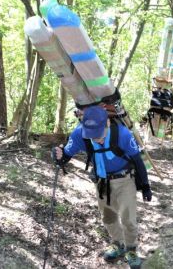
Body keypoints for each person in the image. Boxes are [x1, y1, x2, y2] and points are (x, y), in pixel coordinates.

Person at [53, 105, 152, 269]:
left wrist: (145, 186)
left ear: (107, 122)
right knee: (108, 217)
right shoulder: (80, 134)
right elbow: (65, 156)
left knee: (128, 219)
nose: (96, 139)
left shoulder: (122, 134)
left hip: (125, 179)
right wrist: (58, 156)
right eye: (92, 135)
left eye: (99, 134)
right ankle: (118, 244)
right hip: (101, 181)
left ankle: (131, 250)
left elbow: (138, 160)